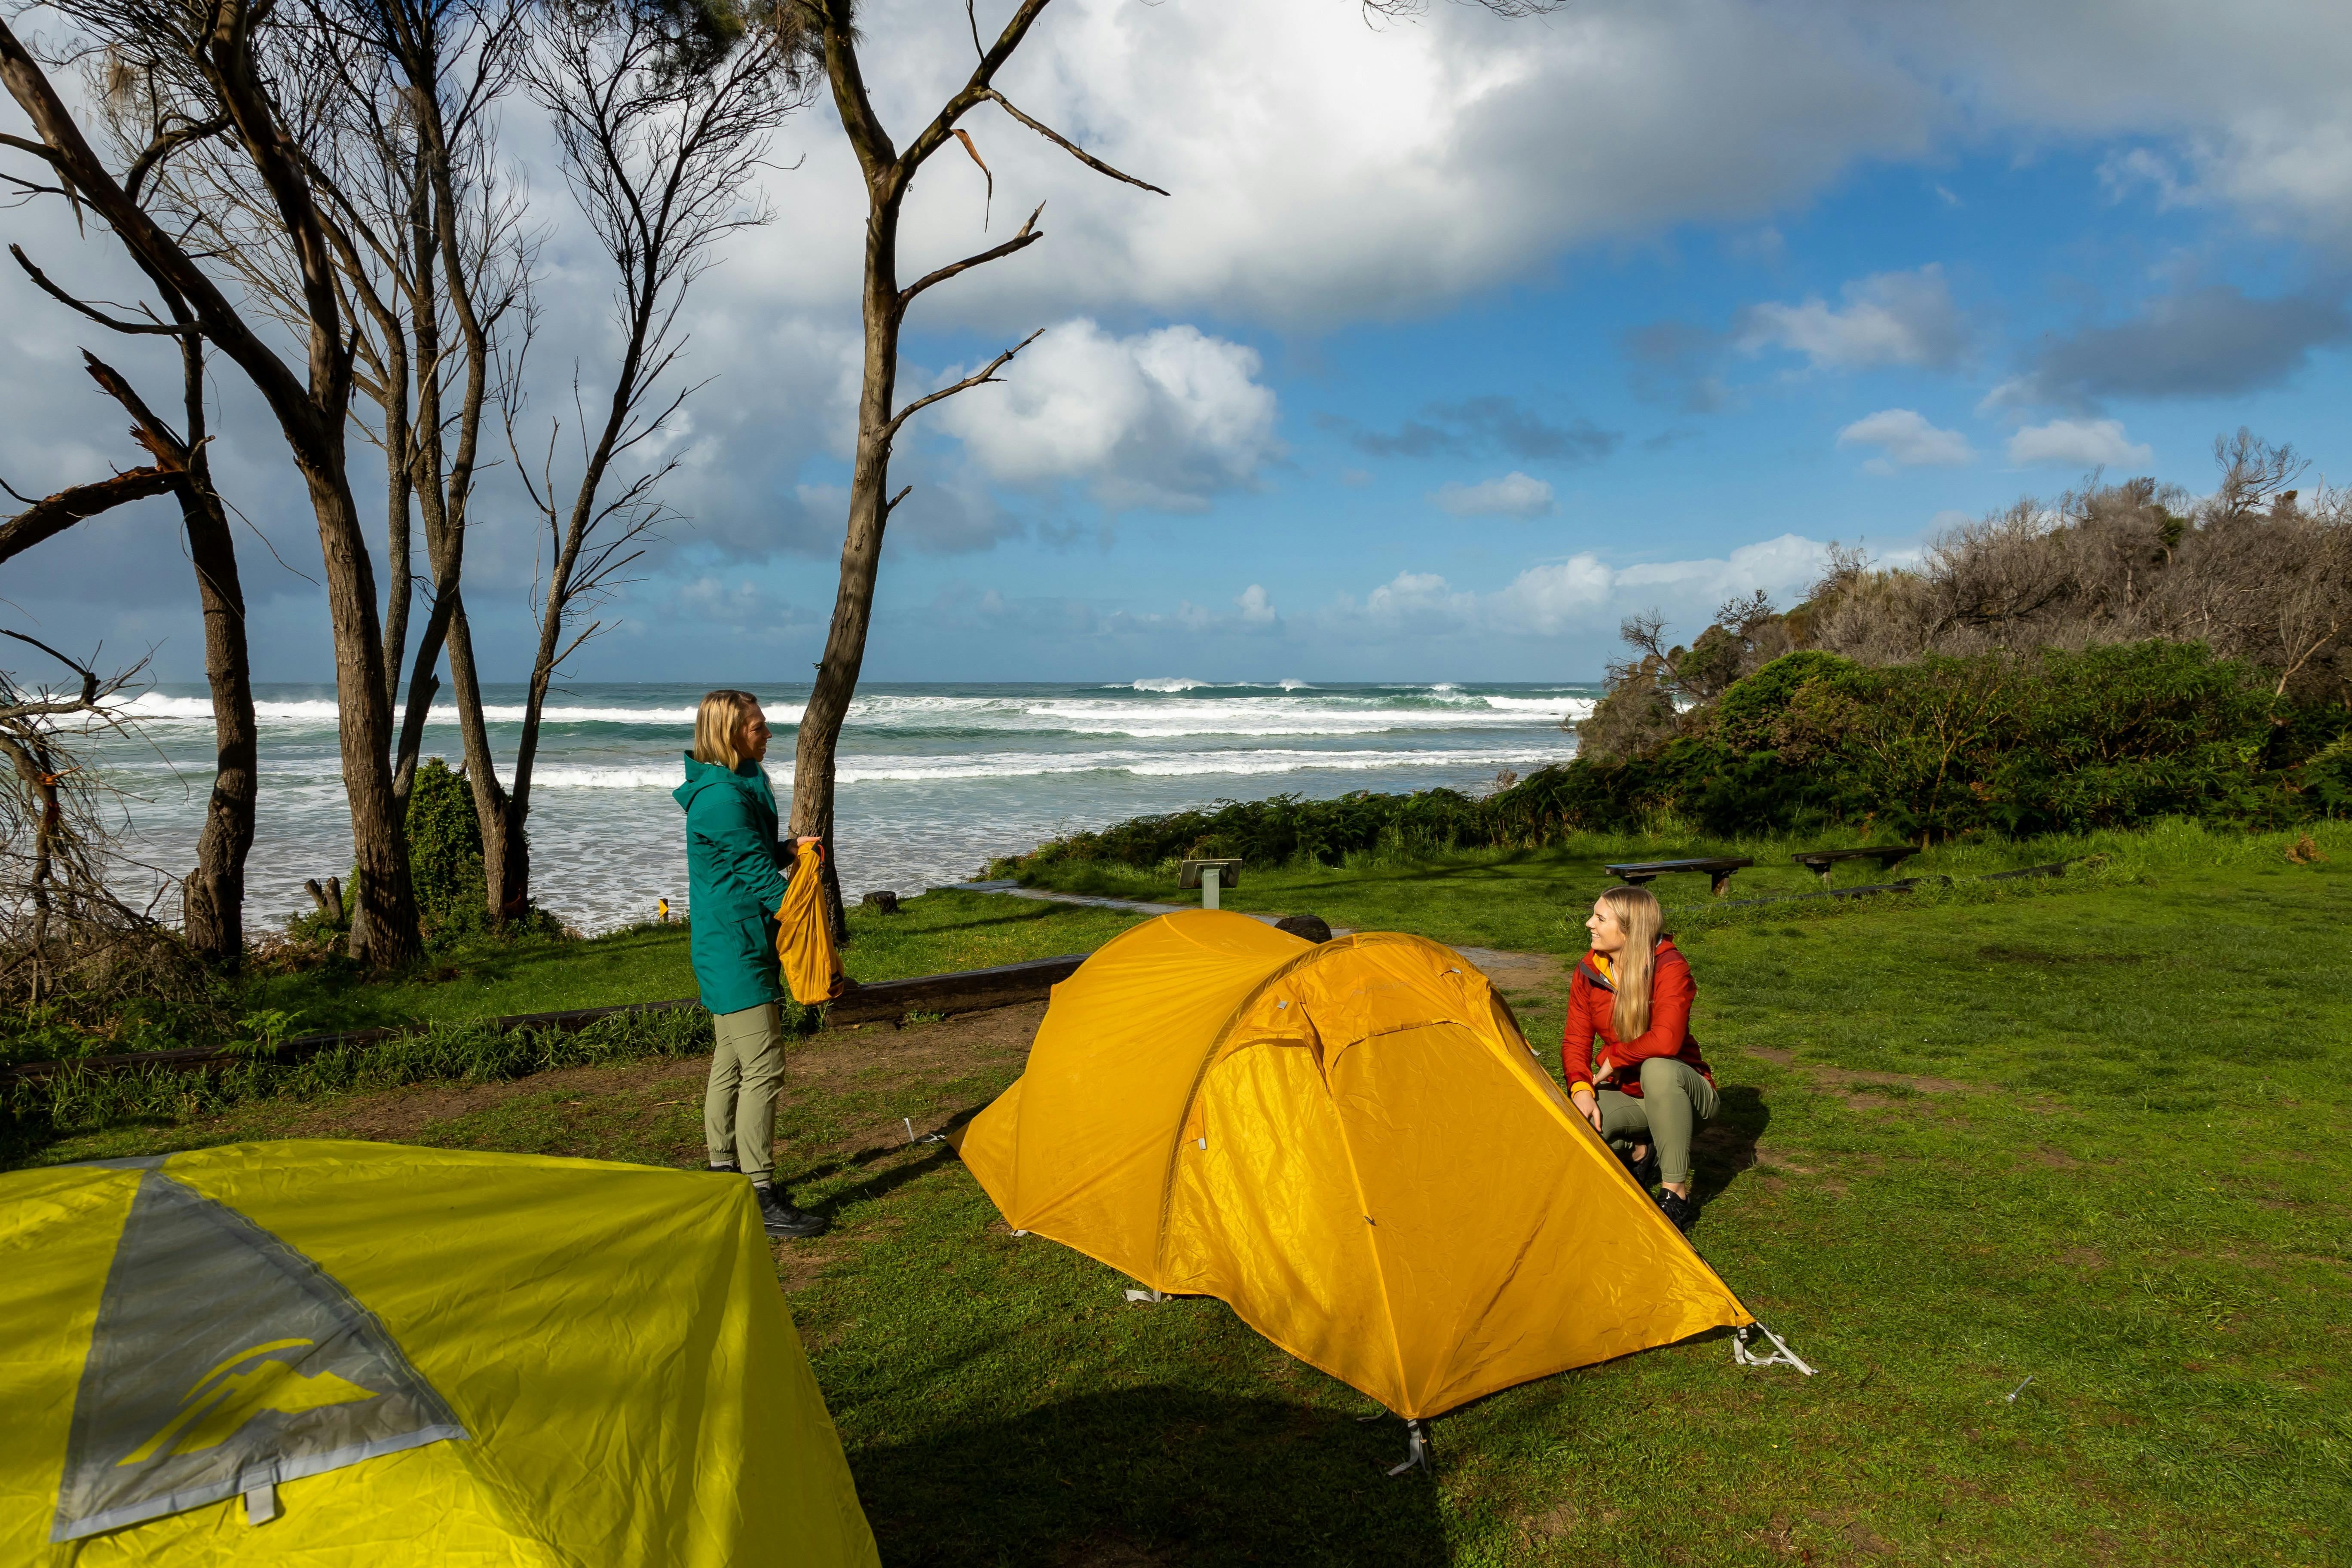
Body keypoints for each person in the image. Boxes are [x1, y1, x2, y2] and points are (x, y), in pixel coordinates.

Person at [675, 689, 827, 1240]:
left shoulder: (741, 783)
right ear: (731, 733)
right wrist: (804, 915)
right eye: (759, 728)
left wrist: (792, 849)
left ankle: (723, 1173)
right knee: (763, 1067)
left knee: (731, 1062)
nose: (768, 735)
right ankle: (759, 1192)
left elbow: (755, 854)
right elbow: (760, 880)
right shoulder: (721, 799)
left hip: (736, 940)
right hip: (733, 947)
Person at [1562, 885, 1718, 1233]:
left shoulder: (1670, 966)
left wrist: (1616, 1057)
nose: (1589, 923)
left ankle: (1675, 1193)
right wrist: (1581, 1088)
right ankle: (1641, 1149)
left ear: (1630, 930)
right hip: (1632, 1094)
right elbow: (1575, 1039)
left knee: (1658, 1068)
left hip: (1687, 1095)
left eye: (1600, 918)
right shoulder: (1589, 971)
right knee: (1575, 1125)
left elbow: (1666, 1040)